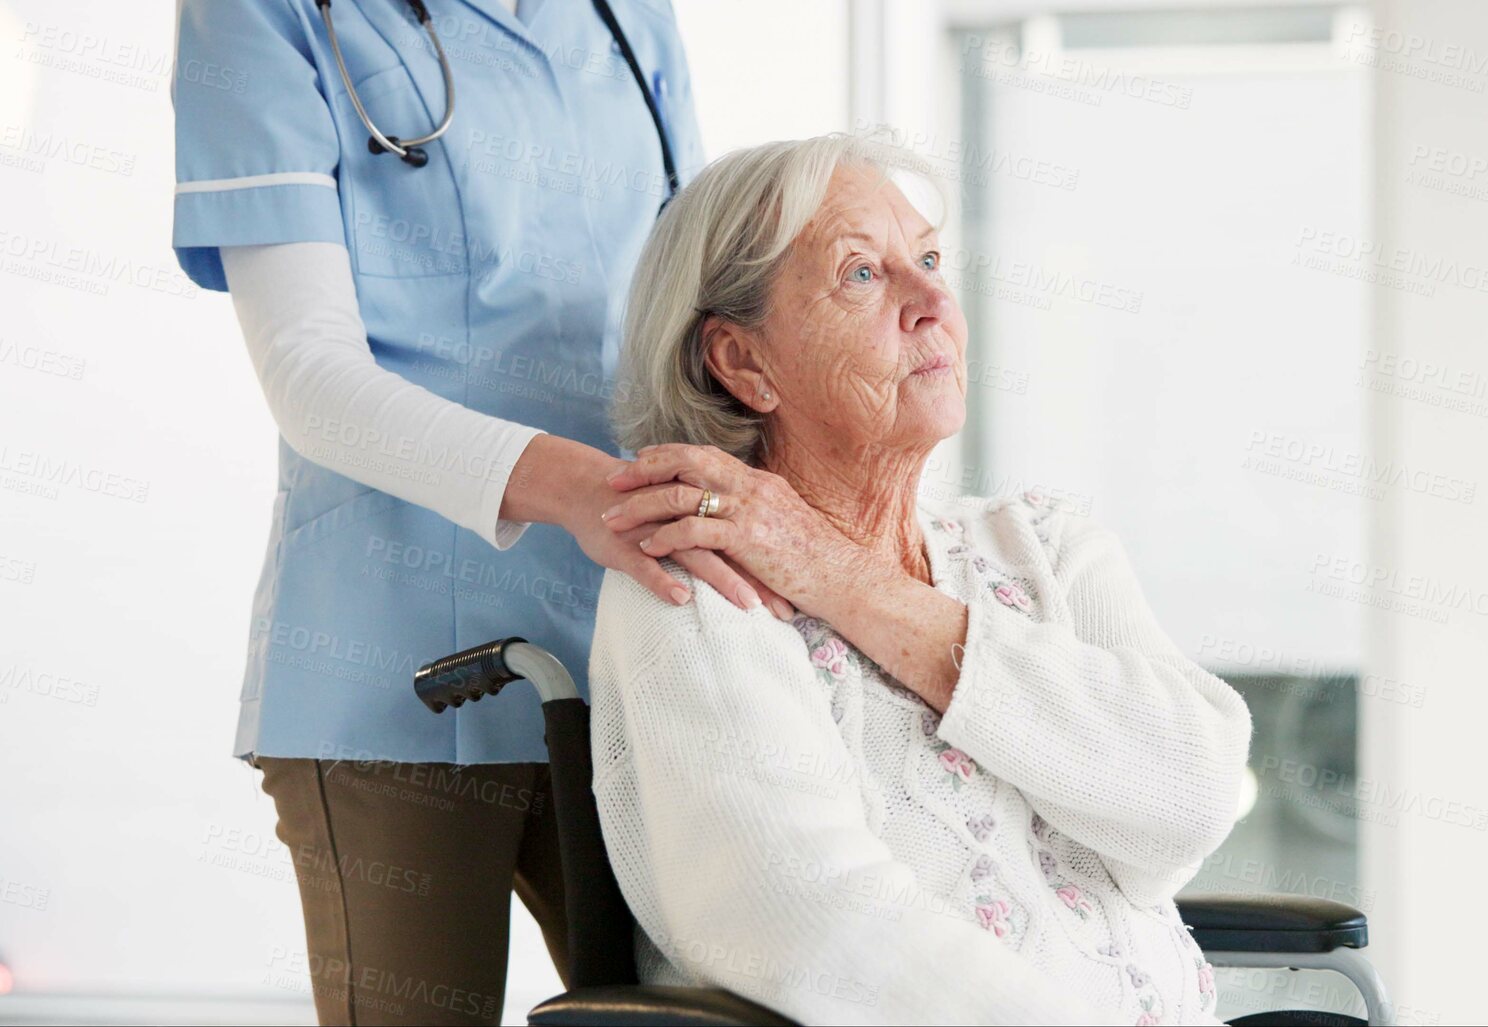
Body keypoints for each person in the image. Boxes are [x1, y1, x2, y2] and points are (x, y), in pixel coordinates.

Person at [171, 3, 784, 1023]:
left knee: (702, 1012)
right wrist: (583, 489)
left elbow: (693, 307)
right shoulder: (266, 15)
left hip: (632, 655)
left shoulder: (626, 17)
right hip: (391, 674)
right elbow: (310, 375)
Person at [587, 134, 1254, 1025]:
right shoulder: (701, 585)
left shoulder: (1043, 545)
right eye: (862, 274)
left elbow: (1194, 797)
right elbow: (812, 921)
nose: (933, 300)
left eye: (930, 259)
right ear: (742, 364)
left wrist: (838, 574)